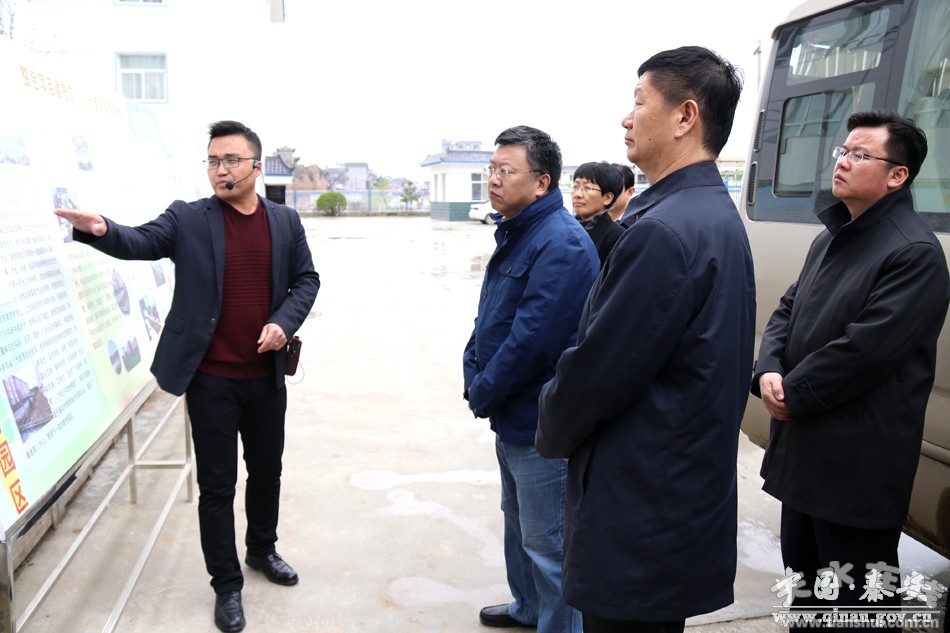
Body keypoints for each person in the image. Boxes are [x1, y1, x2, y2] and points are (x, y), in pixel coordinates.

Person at [54, 120, 320, 633]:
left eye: (231, 160)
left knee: (267, 471)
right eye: (213, 161)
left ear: (256, 166)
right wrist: (102, 229)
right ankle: (227, 584)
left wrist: (283, 323)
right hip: (211, 379)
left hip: (265, 377)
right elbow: (141, 241)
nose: (220, 170)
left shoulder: (285, 221)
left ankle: (262, 549)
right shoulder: (189, 218)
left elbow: (306, 279)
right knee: (217, 485)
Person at [535, 46, 755, 633]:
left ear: (685, 116)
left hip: (640, 500)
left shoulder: (663, 230)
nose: (626, 118)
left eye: (639, 102)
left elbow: (600, 372)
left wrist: (553, 428)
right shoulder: (710, 213)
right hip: (675, 488)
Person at [752, 110, 949, 623]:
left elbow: (867, 350)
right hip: (806, 451)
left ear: (897, 175)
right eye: (843, 151)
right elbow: (789, 309)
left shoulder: (914, 253)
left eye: (860, 155)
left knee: (856, 601)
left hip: (856, 463)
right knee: (805, 588)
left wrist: (793, 393)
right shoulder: (832, 236)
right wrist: (768, 370)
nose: (841, 162)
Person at [463, 125, 598, 633]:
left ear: (541, 183)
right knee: (518, 521)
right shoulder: (518, 230)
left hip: (541, 419)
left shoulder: (561, 243)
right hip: (509, 412)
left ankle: (557, 624)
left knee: (548, 543)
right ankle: (528, 608)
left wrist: (483, 388)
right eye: (491, 169)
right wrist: (471, 365)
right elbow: (490, 316)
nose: (493, 180)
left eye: (505, 170)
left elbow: (532, 341)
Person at [570, 161, 625, 266]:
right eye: (575, 186)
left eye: (587, 188)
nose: (578, 194)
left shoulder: (617, 237)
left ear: (607, 198)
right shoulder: (565, 228)